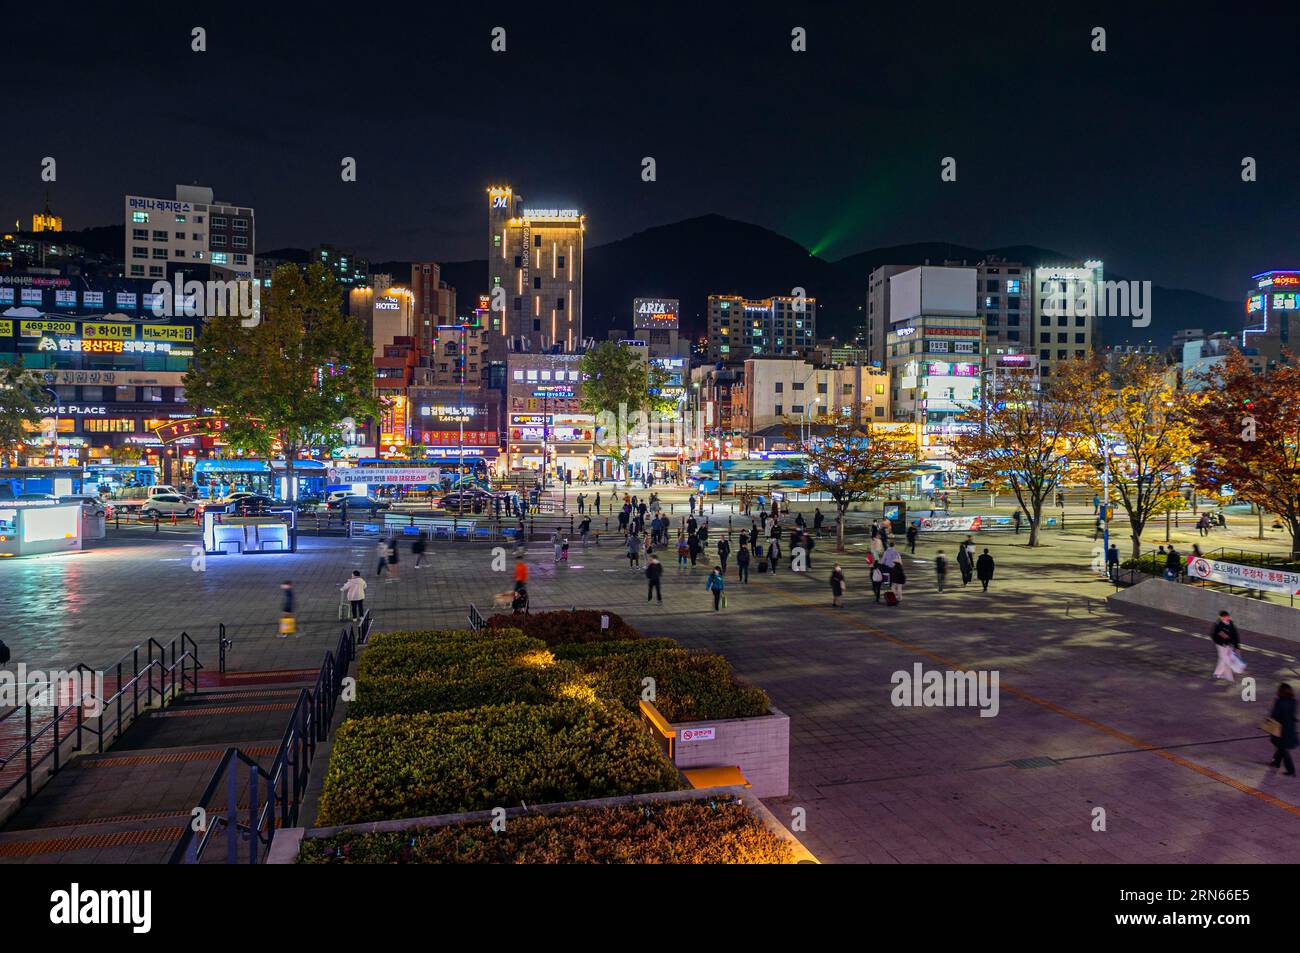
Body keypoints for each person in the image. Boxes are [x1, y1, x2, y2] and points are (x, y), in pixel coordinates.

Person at [1268, 684, 1298, 776]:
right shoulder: (1293, 701)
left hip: (1280, 728)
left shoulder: (1279, 702)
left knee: (1283, 749)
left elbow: (1274, 715)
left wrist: (1268, 722)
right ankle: (1276, 762)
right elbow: (1292, 715)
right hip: (1290, 728)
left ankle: (1291, 770)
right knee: (1281, 746)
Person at [1211, 610, 1241, 682]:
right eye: (1223, 617)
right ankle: (1229, 677)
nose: (1225, 619)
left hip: (1229, 644)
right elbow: (1213, 634)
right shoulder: (1218, 624)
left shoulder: (1231, 623)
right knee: (1226, 659)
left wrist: (1237, 647)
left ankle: (1217, 673)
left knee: (1223, 659)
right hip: (1221, 645)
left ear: (1228, 616)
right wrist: (1221, 639)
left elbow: (1235, 635)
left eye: (1226, 617)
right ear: (1221, 617)